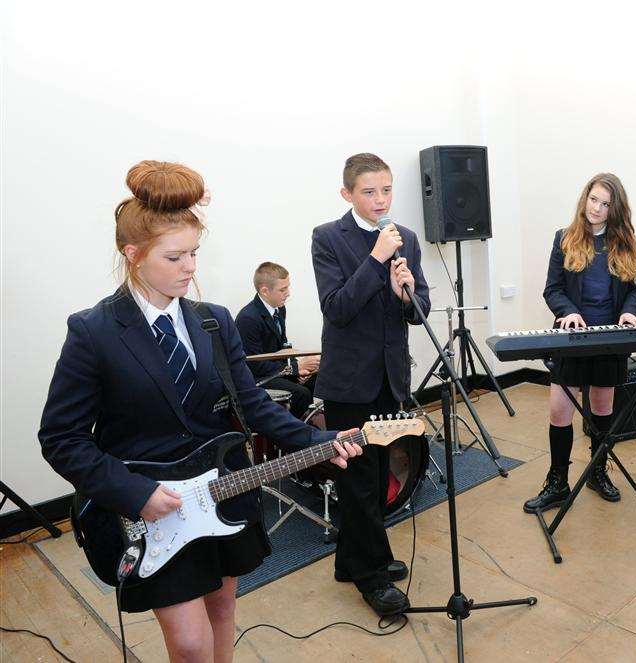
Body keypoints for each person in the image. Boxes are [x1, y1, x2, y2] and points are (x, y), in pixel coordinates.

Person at [38, 160, 361, 663]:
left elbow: (252, 405)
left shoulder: (213, 321)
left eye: (194, 253)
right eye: (175, 256)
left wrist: (320, 440)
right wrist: (135, 494)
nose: (190, 267)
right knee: (189, 643)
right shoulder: (93, 331)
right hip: (152, 508)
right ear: (133, 254)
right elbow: (61, 437)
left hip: (222, 488)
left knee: (223, 607)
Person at [311, 152, 430, 616]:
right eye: (368, 192)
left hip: (390, 378)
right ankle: (372, 576)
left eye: (386, 190)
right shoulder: (328, 238)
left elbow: (416, 308)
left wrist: (406, 294)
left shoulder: (409, 240)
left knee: (380, 474)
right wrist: (376, 259)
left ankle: (353, 560)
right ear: (347, 194)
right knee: (358, 480)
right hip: (349, 382)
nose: (380, 200)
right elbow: (337, 307)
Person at [524, 172, 636, 514]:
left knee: (602, 409)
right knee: (560, 409)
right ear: (585, 199)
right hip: (571, 336)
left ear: (615, 209)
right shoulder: (563, 238)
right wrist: (568, 312)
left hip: (609, 339)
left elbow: (635, 289)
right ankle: (558, 482)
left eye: (606, 204)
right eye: (593, 199)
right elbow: (553, 289)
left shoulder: (625, 243)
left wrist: (628, 313)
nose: (597, 208)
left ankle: (597, 472)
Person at [235, 261, 320, 418]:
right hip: (260, 377)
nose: (288, 293)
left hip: (276, 370)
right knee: (301, 394)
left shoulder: (280, 308)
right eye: (283, 289)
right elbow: (255, 365)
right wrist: (294, 368)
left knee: (318, 381)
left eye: (288, 287)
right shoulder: (248, 319)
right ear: (265, 291)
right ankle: (289, 432)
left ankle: (300, 423)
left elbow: (283, 348)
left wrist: (298, 370)